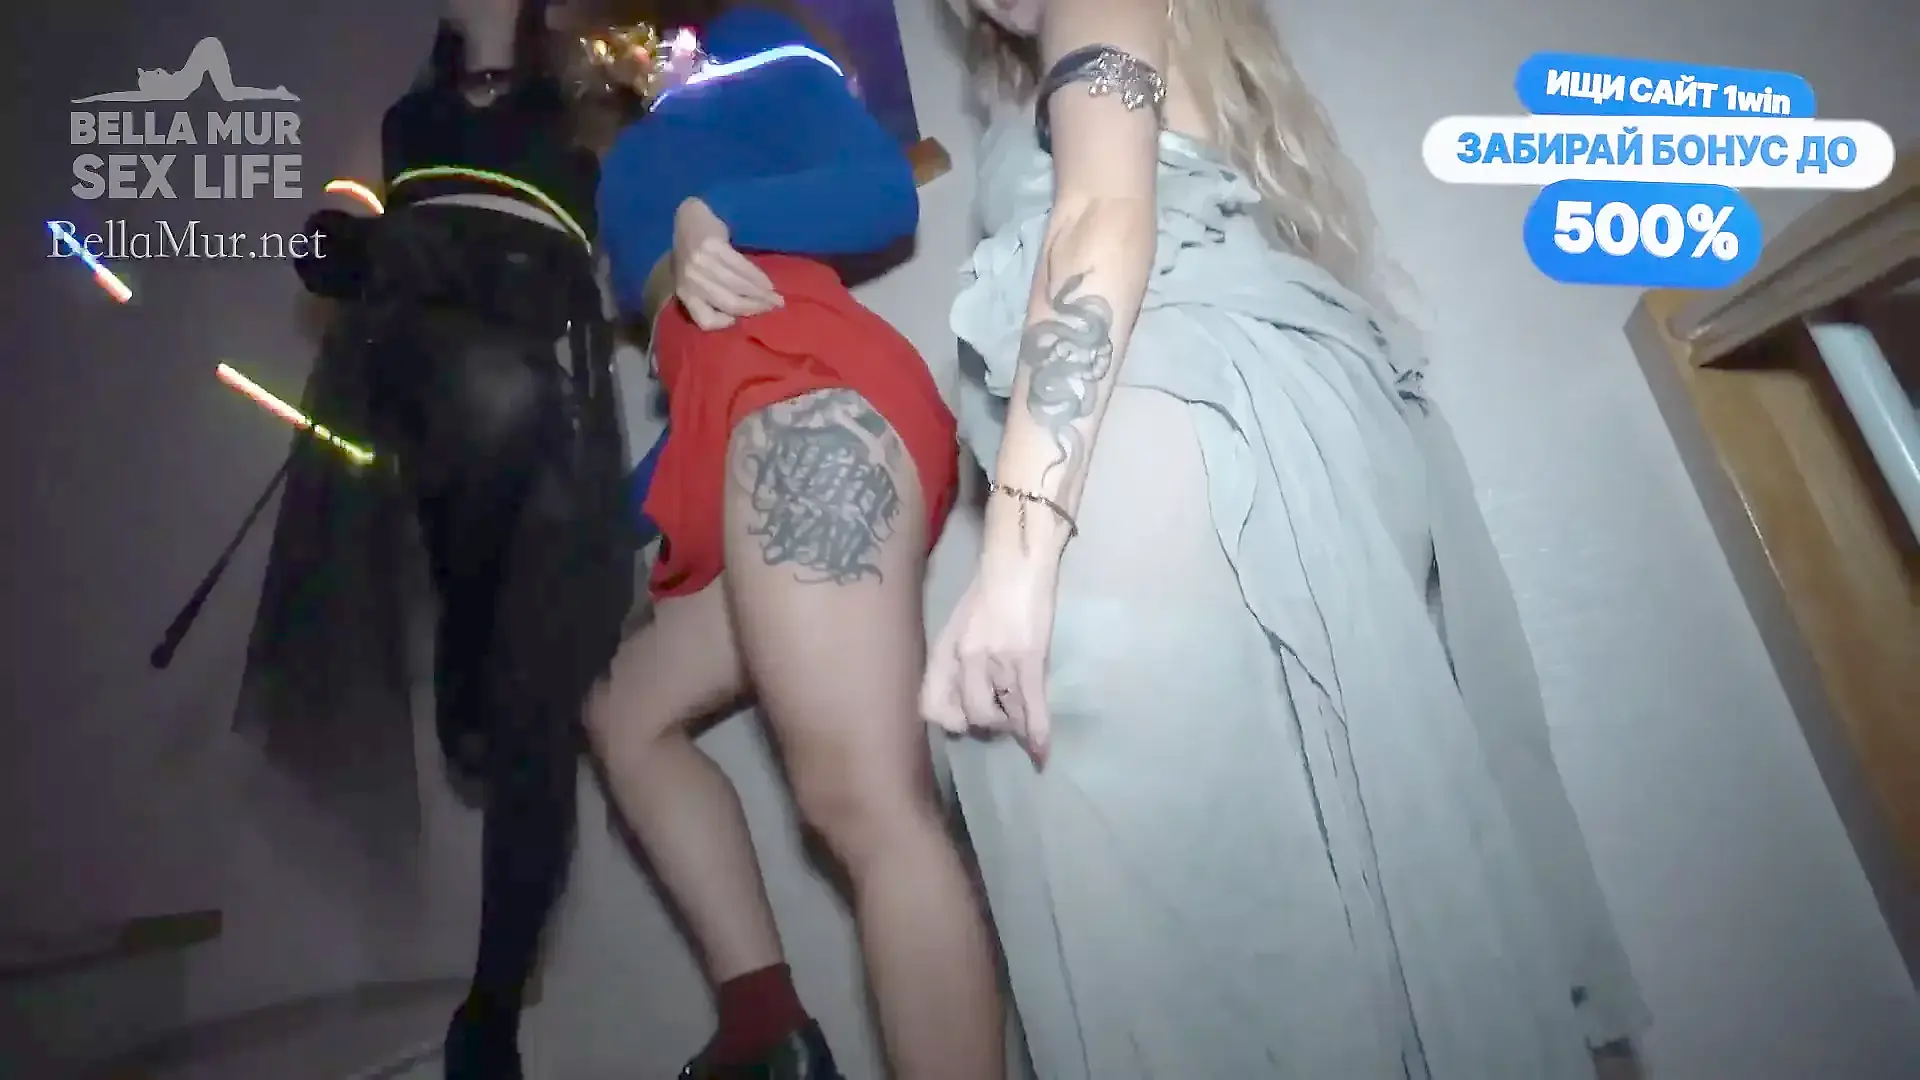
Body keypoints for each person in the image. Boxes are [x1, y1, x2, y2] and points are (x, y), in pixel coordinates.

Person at [921, 0, 1651, 1077]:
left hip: (1167, 453)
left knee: (1217, 968)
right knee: (1315, 932)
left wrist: (1017, 558)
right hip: (1233, 456)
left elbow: (1102, 212)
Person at [578, 3, 1004, 1077]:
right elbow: (691, 356)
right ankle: (767, 1029)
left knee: (863, 802)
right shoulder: (632, 133)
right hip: (733, 423)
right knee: (625, 711)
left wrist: (707, 214)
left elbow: (880, 189)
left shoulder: (749, 42)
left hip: (803, 390)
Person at [239, 1, 635, 1077]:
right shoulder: (407, 121)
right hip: (426, 390)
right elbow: (336, 226)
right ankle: (471, 656)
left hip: (540, 409)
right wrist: (348, 241)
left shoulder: (587, 107)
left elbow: (638, 203)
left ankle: (489, 1014)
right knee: (491, 420)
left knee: (534, 713)